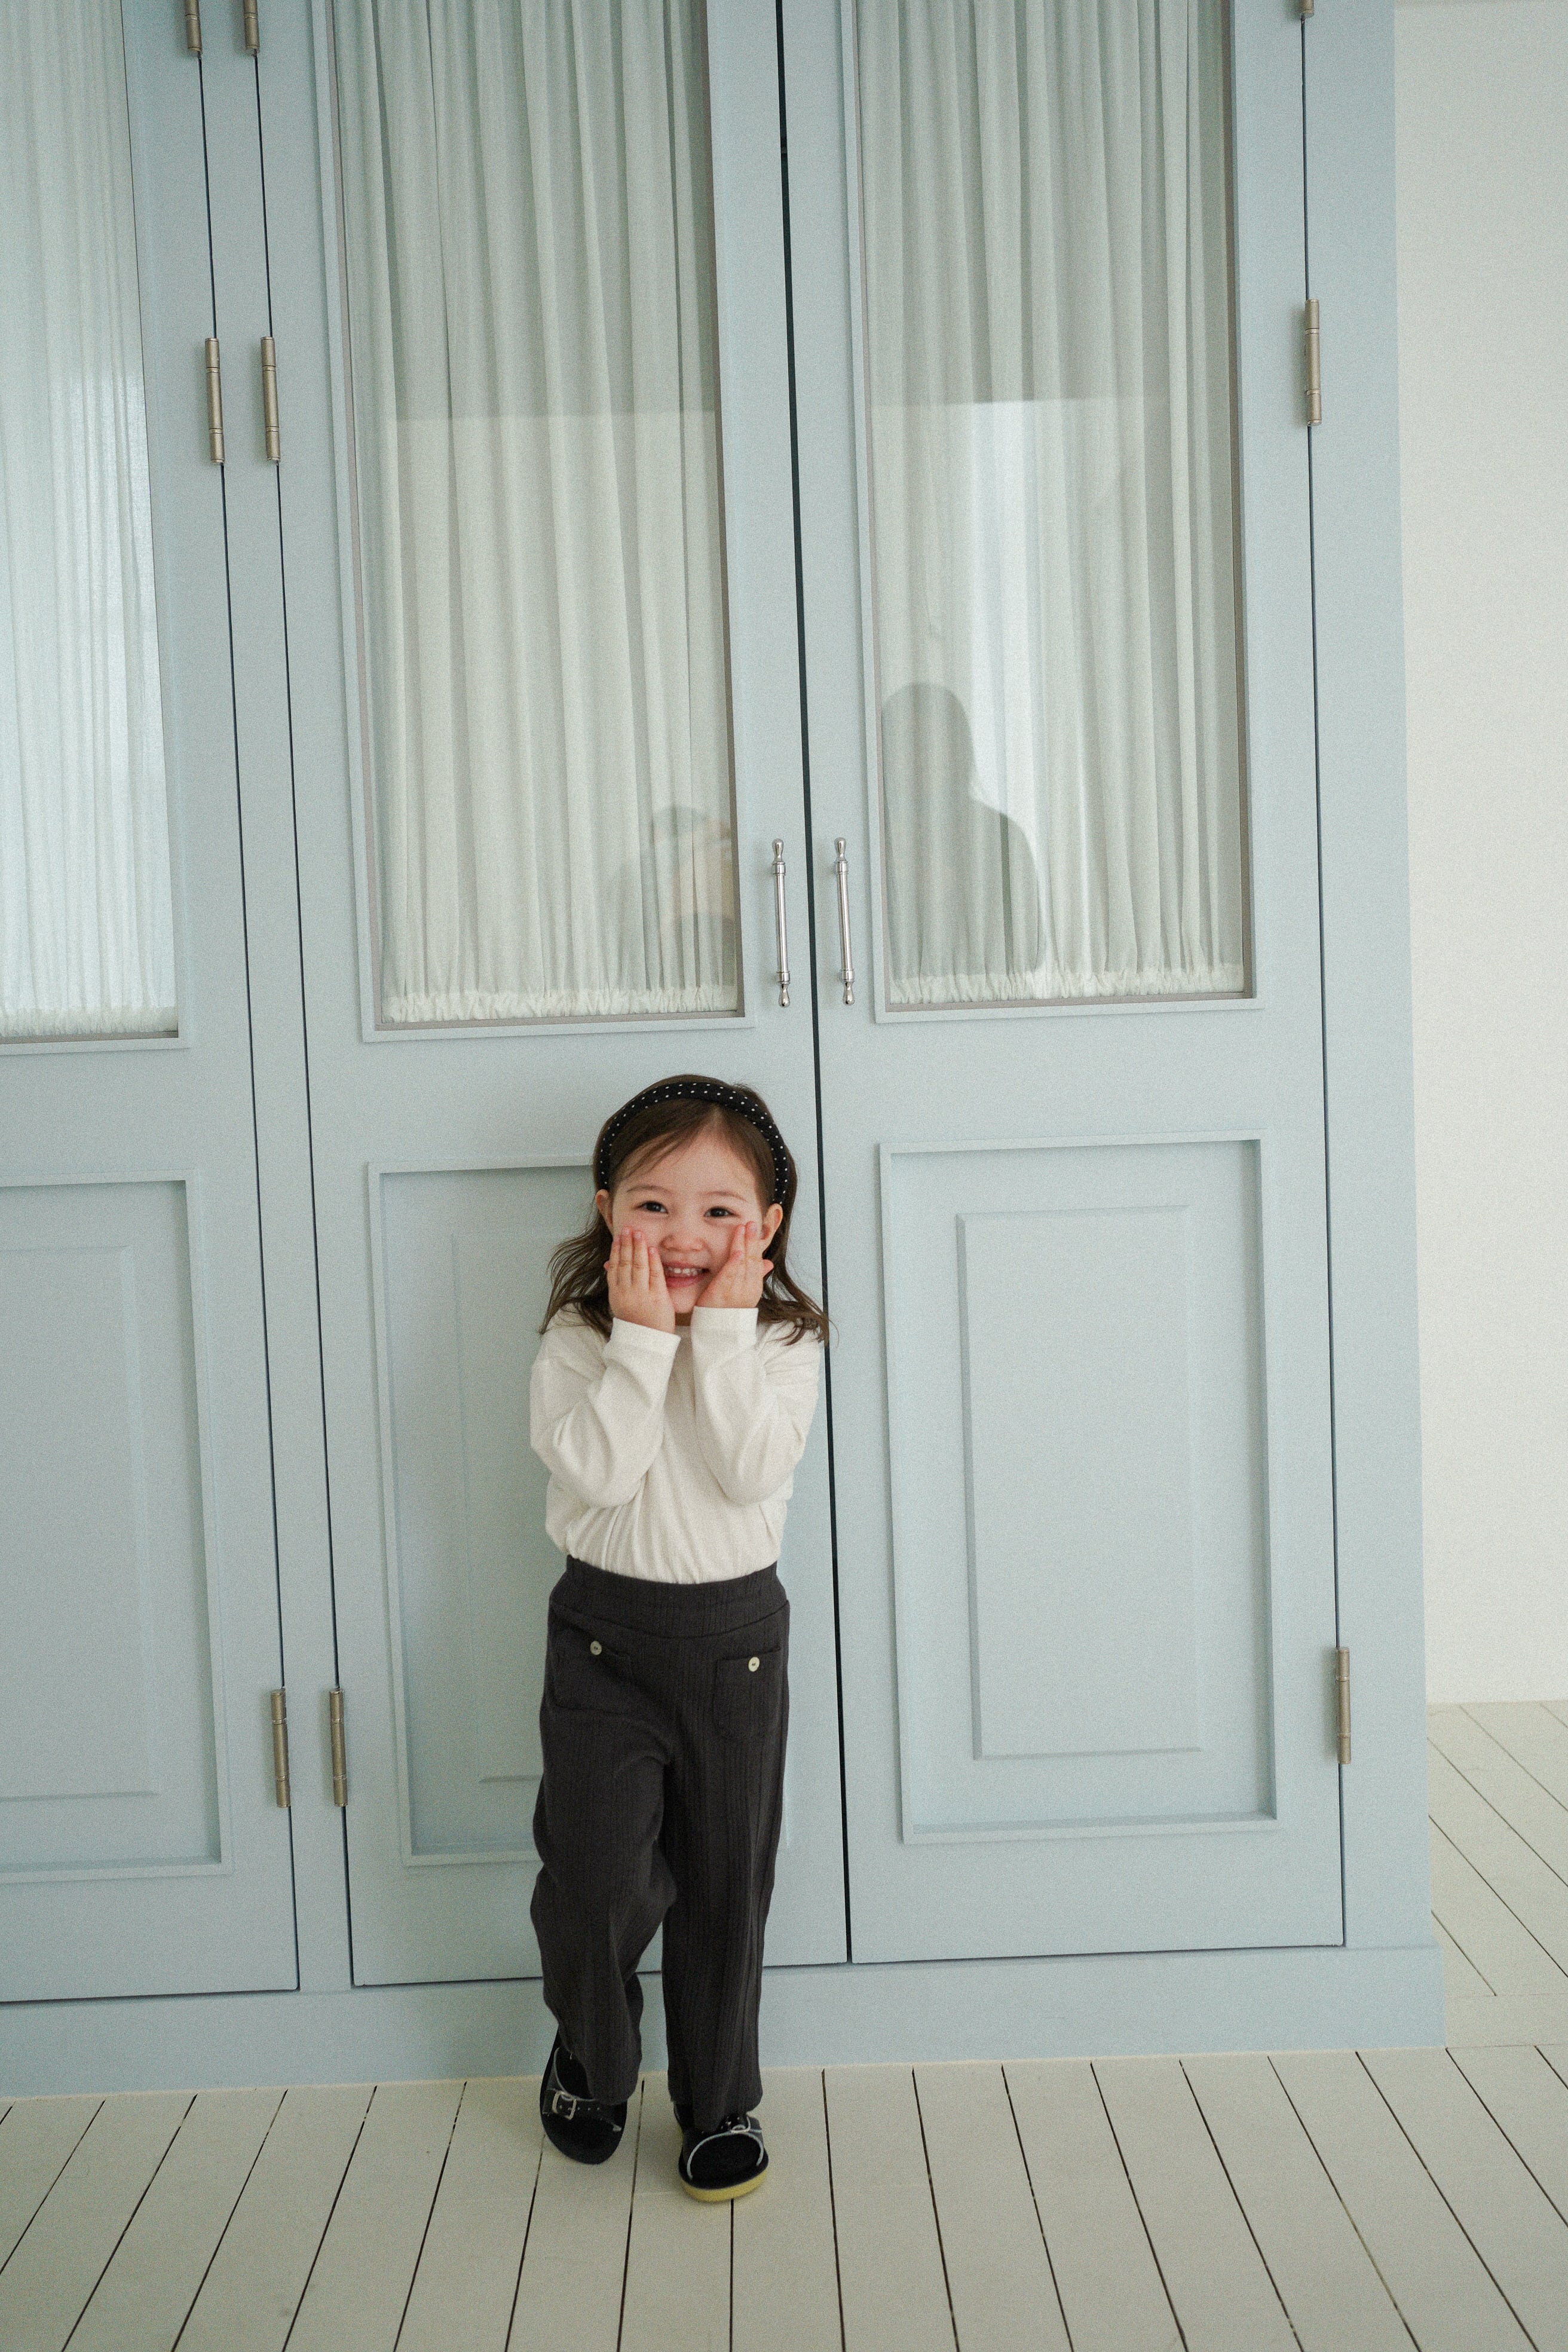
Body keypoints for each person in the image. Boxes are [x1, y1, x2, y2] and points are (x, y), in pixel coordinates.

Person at [527, 1072, 826, 2201]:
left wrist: (724, 1334)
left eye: (718, 1211)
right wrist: (644, 1343)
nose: (684, 1235)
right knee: (597, 1881)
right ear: (609, 1211)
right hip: (604, 1646)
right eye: (653, 1205)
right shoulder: (580, 1337)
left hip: (734, 1648)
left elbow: (750, 1467)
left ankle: (719, 2100)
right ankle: (593, 2058)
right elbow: (600, 1472)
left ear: (767, 1228)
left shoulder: (784, 1343)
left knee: (724, 1888)